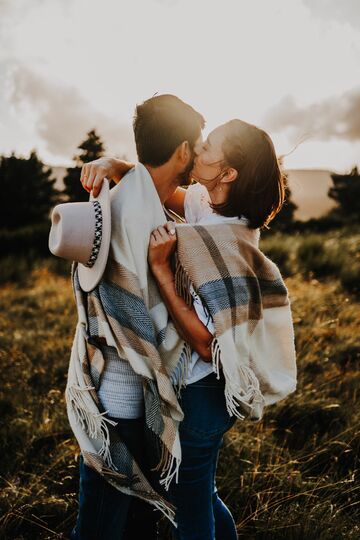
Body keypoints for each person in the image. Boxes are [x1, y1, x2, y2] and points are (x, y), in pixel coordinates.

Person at [81, 118, 297, 539]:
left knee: (189, 502)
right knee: (198, 489)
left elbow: (204, 343)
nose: (196, 150)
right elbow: (162, 186)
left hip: (203, 393)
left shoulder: (224, 240)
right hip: (205, 393)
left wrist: (162, 270)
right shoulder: (209, 203)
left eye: (208, 147)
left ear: (228, 172)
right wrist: (114, 165)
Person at [65, 94, 206, 540]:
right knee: (101, 527)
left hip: (123, 393)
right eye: (197, 145)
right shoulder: (135, 214)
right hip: (122, 402)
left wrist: (115, 163)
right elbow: (143, 321)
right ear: (183, 150)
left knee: (133, 525)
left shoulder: (132, 199)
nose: (200, 154)